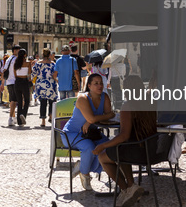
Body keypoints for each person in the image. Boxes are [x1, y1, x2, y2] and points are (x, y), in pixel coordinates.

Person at [93, 75, 156, 206]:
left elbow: (124, 135)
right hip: (152, 149)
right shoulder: (151, 101)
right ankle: (132, 185)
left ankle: (126, 189)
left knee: (103, 157)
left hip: (138, 152)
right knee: (119, 148)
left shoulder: (128, 106)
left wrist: (102, 146)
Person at [61, 73, 114, 191]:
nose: (99, 86)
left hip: (92, 134)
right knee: (89, 148)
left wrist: (91, 121)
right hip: (72, 134)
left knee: (109, 147)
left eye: (101, 83)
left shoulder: (104, 97)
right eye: (96, 83)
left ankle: (82, 166)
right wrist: (92, 120)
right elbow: (103, 115)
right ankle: (85, 174)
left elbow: (109, 116)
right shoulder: (82, 98)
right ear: (89, 85)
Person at [32, 48, 57, 127]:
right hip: (51, 84)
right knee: (51, 102)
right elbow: (56, 74)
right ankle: (50, 116)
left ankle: (43, 121)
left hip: (41, 85)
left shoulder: (38, 63)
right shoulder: (53, 64)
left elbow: (33, 74)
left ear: (42, 55)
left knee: (43, 103)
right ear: (49, 55)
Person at [11, 49, 32, 126]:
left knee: (19, 102)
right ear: (25, 55)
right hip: (24, 82)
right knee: (27, 100)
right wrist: (30, 81)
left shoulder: (16, 63)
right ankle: (23, 115)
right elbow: (29, 74)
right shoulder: (27, 63)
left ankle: (19, 121)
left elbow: (15, 74)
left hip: (17, 82)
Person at [2, 45, 21, 126]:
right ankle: (10, 118)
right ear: (15, 50)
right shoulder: (16, 59)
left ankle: (13, 118)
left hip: (9, 81)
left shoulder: (9, 59)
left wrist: (3, 83)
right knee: (14, 100)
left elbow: (4, 70)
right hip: (14, 81)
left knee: (12, 100)